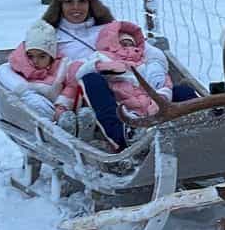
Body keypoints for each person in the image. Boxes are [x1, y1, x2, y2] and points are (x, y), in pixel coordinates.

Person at [65, 20, 199, 151]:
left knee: (183, 91)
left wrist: (161, 99)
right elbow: (73, 74)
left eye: (131, 43)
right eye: (123, 43)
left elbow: (164, 82)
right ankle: (122, 137)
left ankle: (196, 123)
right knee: (91, 80)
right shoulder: (99, 57)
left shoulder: (146, 61)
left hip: (153, 107)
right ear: (111, 43)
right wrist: (99, 66)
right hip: (122, 109)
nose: (128, 47)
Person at [0, 19, 83, 133]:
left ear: (51, 56)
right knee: (34, 101)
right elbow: (6, 75)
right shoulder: (20, 67)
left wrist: (62, 106)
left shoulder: (62, 68)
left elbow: (71, 87)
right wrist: (27, 89)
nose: (35, 61)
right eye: (30, 56)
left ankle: (74, 125)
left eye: (42, 56)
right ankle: (59, 127)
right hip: (36, 111)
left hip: (62, 109)